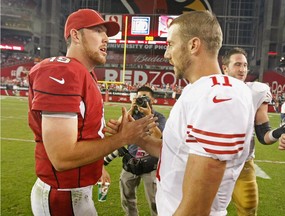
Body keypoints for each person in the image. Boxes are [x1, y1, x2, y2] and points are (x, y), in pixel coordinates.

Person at [107, 10, 255, 216]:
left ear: (193, 45)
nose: (167, 54)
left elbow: (196, 209)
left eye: (170, 44)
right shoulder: (197, 90)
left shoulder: (219, 97)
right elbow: (175, 154)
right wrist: (135, 136)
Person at [28, 9, 157, 216]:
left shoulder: (85, 74)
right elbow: (61, 157)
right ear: (76, 35)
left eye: (106, 33)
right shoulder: (63, 71)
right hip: (63, 196)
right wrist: (122, 138)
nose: (106, 38)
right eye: (97, 31)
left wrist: (101, 162)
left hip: (75, 192)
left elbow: (83, 136)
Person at [222, 47, 285, 215]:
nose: (242, 69)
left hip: (243, 163)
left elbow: (263, 136)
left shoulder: (256, 91)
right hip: (211, 161)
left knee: (249, 209)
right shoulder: (208, 89)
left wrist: (282, 131)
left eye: (245, 65)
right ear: (225, 68)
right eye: (237, 64)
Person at [119, 86, 166, 216]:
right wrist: (131, 109)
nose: (141, 99)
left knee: (155, 202)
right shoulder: (131, 115)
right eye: (139, 97)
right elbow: (118, 130)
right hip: (131, 162)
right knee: (127, 200)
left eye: (145, 97)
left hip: (151, 164)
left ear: (153, 100)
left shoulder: (159, 117)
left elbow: (158, 137)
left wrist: (149, 116)